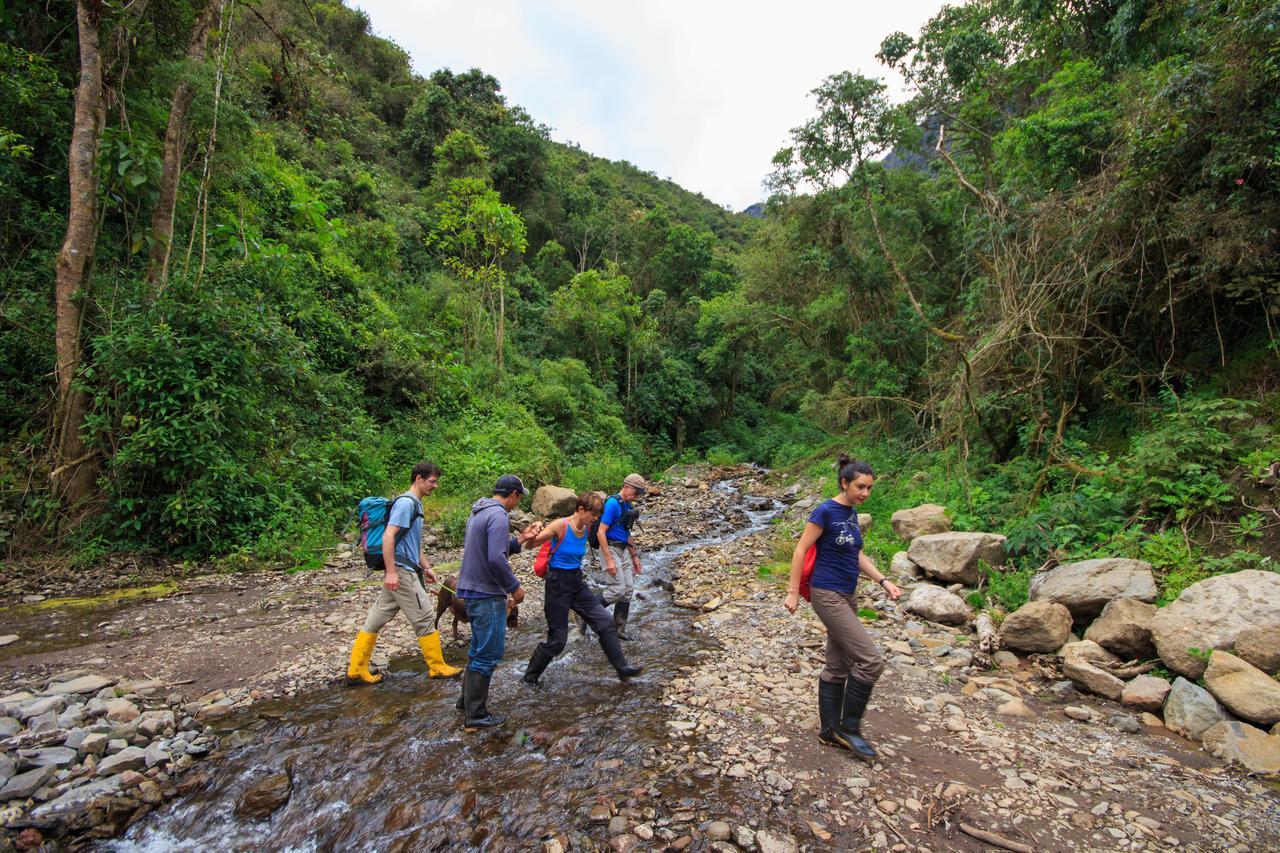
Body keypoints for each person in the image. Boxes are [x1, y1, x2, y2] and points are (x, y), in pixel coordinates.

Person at [783, 455, 902, 761]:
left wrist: (883, 581)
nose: (865, 493)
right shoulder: (825, 511)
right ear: (844, 483)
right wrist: (793, 592)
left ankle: (828, 731)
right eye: (860, 487)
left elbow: (856, 554)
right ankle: (850, 729)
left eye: (869, 488)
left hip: (848, 594)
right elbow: (801, 550)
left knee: (838, 665)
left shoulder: (850, 514)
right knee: (870, 661)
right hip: (827, 594)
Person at [347, 462, 461, 684]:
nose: (435, 486)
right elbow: (388, 536)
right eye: (432, 481)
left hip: (405, 568)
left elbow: (413, 543)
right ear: (418, 479)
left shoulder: (415, 505)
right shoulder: (406, 504)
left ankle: (356, 670)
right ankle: (437, 667)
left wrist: (427, 567)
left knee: (376, 618)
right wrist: (391, 571)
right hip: (401, 572)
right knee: (426, 616)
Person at [523, 492, 643, 687]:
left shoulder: (587, 529)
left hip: (576, 583)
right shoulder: (560, 526)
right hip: (557, 585)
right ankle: (530, 677)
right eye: (593, 515)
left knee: (605, 623)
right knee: (557, 641)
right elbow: (530, 545)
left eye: (597, 516)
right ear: (580, 509)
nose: (595, 519)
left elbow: (603, 535)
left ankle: (622, 668)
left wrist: (626, 554)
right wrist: (533, 531)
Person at [456, 474, 542, 730]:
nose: (517, 504)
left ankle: (465, 703)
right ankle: (476, 716)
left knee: (477, 649)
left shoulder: (479, 510)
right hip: (486, 592)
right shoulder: (499, 515)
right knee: (489, 652)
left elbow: (494, 548)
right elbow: (495, 558)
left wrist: (521, 539)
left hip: (471, 589)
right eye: (519, 498)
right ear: (513, 494)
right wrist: (514, 588)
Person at [595, 473, 648, 640]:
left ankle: (618, 629)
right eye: (636, 492)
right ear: (626, 487)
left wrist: (634, 556)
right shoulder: (613, 503)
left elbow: (627, 532)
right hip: (610, 548)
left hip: (623, 549)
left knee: (628, 590)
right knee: (618, 589)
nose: (637, 496)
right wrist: (609, 559)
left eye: (639, 493)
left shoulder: (627, 505)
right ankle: (586, 612)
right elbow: (600, 532)